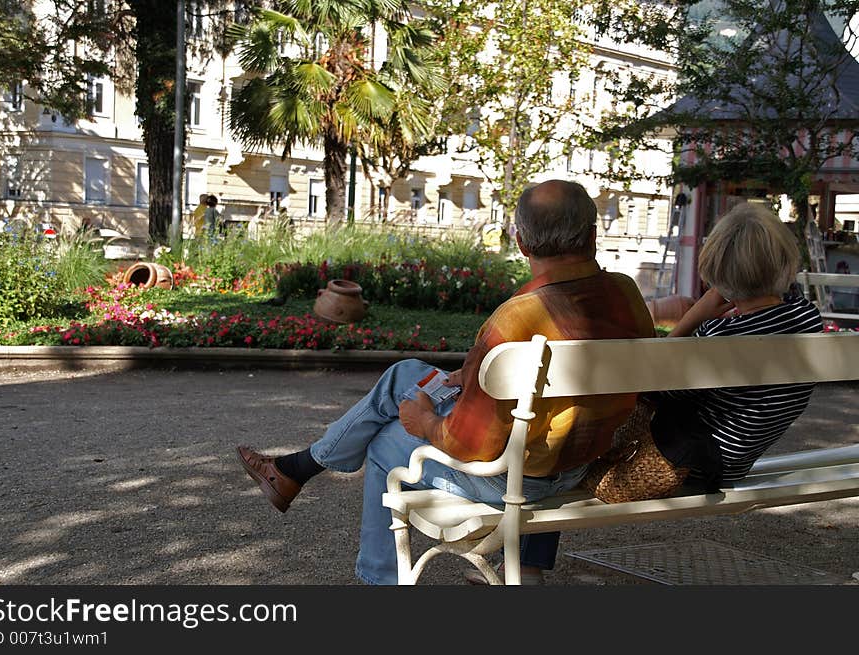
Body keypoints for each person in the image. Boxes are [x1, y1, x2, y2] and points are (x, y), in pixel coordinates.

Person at [237, 180, 656, 585]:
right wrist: (474, 375)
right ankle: (294, 470)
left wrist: (424, 423)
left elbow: (475, 446)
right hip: (579, 464)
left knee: (384, 441)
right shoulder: (626, 295)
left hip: (516, 481)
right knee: (408, 373)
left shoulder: (518, 319)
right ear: (592, 235)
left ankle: (377, 575)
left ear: (522, 243)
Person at [494, 201, 824, 584]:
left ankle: (524, 568)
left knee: (558, 445)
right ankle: (526, 565)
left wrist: (691, 318)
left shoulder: (718, 338)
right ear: (784, 260)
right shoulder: (805, 317)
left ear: (715, 271)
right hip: (741, 455)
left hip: (696, 462)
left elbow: (649, 390)